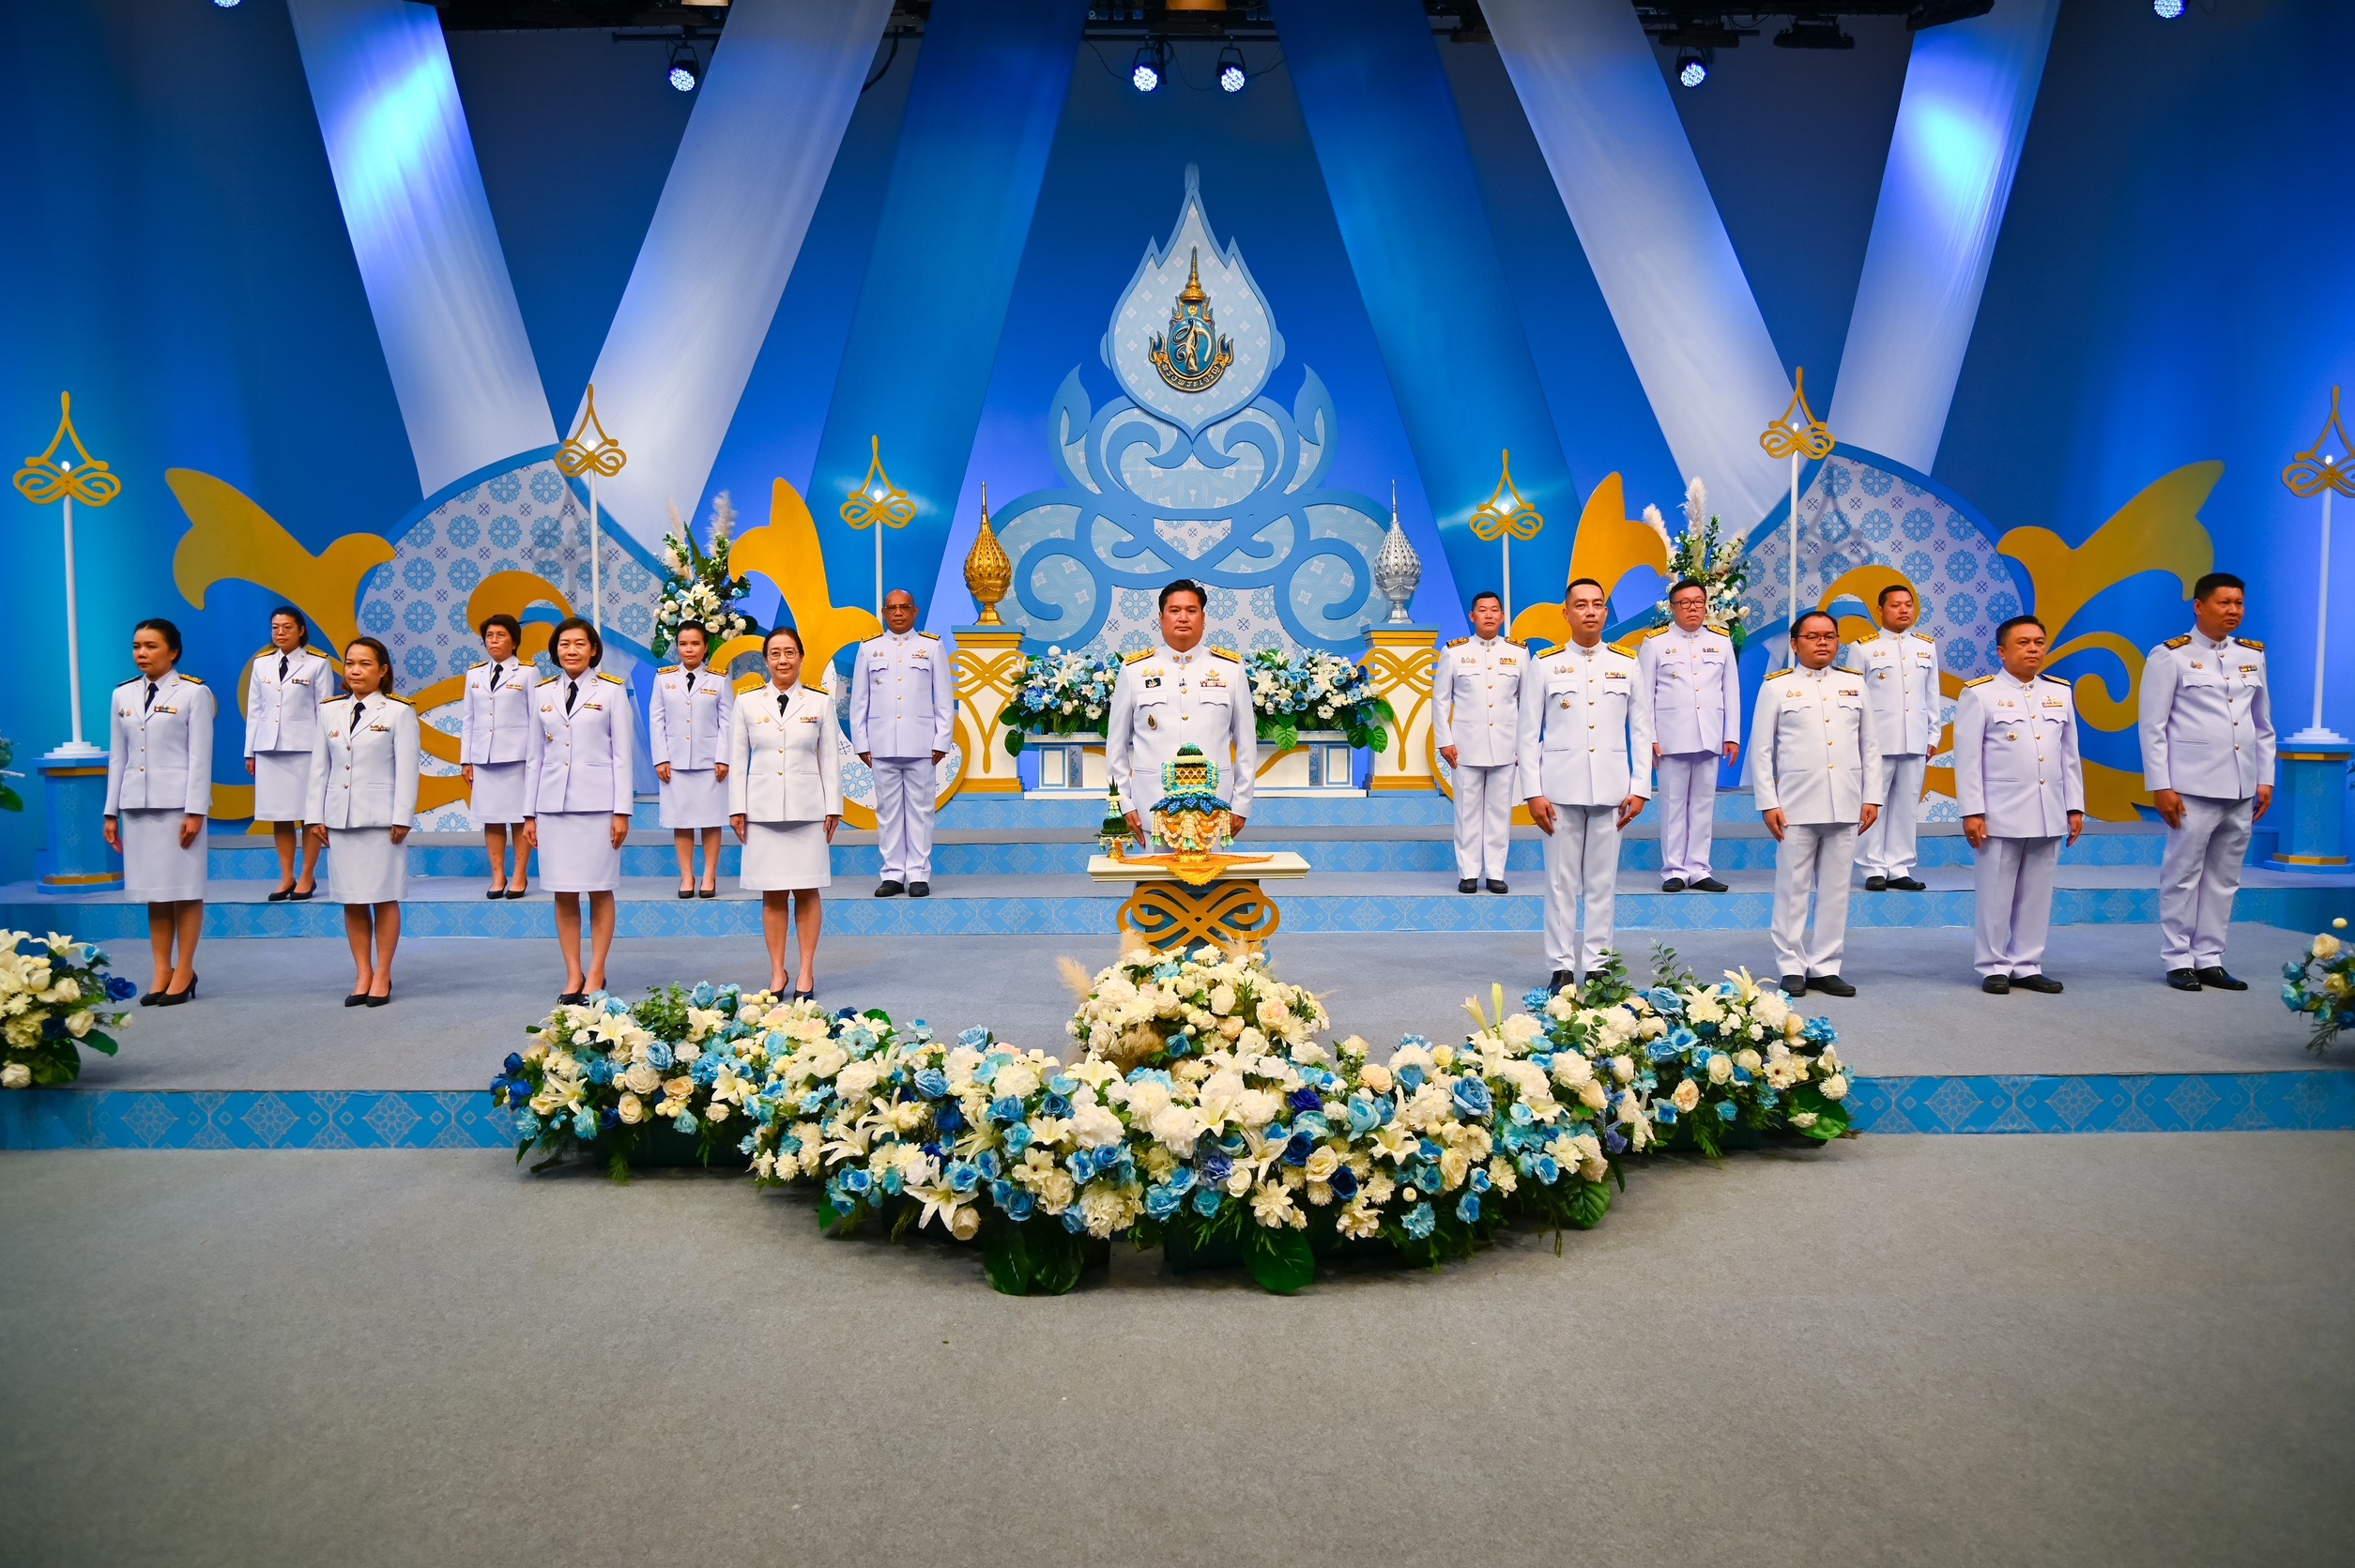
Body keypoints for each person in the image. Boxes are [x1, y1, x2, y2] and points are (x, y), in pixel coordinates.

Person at [2139, 571, 2274, 992]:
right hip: (2191, 786)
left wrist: (2265, 778)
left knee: (2225, 877)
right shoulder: (2170, 656)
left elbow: (2262, 723)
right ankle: (2178, 958)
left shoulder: (2251, 655)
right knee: (2182, 874)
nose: (2233, 611)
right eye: (2224, 603)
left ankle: (2210, 957)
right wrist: (2161, 785)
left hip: (2242, 786)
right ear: (2199, 606)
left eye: (2239, 603)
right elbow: (2153, 727)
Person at [1520, 579, 1650, 996]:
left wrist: (1641, 787)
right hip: (1559, 790)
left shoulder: (1627, 663)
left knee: (1602, 883)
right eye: (1581, 605)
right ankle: (1560, 966)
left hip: (1612, 790)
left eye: (1597, 604)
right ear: (1566, 613)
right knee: (1560, 884)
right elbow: (1527, 734)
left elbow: (1642, 730)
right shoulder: (1545, 663)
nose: (1590, 611)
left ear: (1606, 612)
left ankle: (1597, 964)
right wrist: (1532, 792)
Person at [1752, 609, 1883, 997]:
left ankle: (1826, 965)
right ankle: (1791, 965)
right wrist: (1768, 802)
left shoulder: (1854, 684)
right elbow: (1762, 750)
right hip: (1795, 804)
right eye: (1813, 636)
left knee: (1836, 890)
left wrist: (1872, 796)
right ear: (1795, 645)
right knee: (1792, 888)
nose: (1823, 642)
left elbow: (1870, 745)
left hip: (1846, 800)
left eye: (1830, 636)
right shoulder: (1777, 687)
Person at [1955, 616, 2085, 995]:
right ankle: (1993, 965)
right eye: (2023, 643)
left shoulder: (2059, 692)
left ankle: (2027, 963)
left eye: (2039, 642)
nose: (2033, 649)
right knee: (1996, 892)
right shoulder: (1980, 694)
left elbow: (2069, 755)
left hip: (2048, 809)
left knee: (2037, 893)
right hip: (2000, 812)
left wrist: (2074, 806)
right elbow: (1968, 759)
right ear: (2002, 651)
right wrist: (1972, 811)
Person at [522, 617, 634, 1004]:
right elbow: (534, 756)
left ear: (593, 650)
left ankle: (597, 971)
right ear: (555, 651)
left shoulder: (612, 691)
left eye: (579, 644)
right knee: (563, 891)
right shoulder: (541, 693)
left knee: (600, 889)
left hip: (599, 807)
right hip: (553, 807)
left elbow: (622, 755)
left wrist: (622, 811)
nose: (571, 650)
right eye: (564, 644)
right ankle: (573, 972)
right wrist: (529, 814)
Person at [102, 618, 213, 1006]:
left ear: (173, 651)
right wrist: (110, 812)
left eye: (151, 646)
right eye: (137, 646)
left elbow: (200, 757)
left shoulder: (194, 693)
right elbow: (118, 757)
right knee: (155, 893)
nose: (142, 653)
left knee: (185, 889)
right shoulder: (122, 694)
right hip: (137, 807)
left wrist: (196, 810)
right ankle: (162, 969)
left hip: (178, 808)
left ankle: (185, 969)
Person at [729, 626, 842, 1000]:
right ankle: (777, 971)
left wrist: (833, 807)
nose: (783, 660)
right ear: (766, 660)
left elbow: (829, 758)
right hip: (761, 811)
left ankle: (806, 969)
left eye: (790, 652)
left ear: (801, 657)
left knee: (807, 890)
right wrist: (737, 808)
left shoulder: (819, 702)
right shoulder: (747, 702)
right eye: (775, 653)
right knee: (773, 893)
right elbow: (737, 759)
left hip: (808, 810)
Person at [306, 637, 419, 1006]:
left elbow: (407, 770)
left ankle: (383, 973)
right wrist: (315, 815)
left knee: (384, 898)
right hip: (339, 818)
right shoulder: (330, 711)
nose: (355, 670)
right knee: (352, 900)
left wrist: (402, 816)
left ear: (383, 670)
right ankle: (363, 973)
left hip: (382, 821)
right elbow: (319, 768)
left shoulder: (398, 712)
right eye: (350, 663)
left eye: (365, 664)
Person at [1107, 580, 1256, 845]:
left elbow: (1246, 742)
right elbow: (1116, 744)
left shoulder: (1230, 669)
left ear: (1203, 618)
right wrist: (1123, 803)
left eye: (1191, 610)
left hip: (1214, 811)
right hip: (1151, 811)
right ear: (1161, 617)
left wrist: (1242, 803)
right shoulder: (1134, 670)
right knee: (1154, 875)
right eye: (1174, 610)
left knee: (1216, 873)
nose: (1183, 618)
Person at [1636, 577, 1740, 893]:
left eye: (1698, 602)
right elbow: (1644, 696)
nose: (1692, 608)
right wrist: (1649, 738)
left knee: (1703, 805)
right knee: (1673, 804)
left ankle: (1699, 868)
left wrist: (1731, 735)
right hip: (1671, 738)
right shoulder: (1655, 643)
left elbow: (1731, 691)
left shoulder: (1721, 641)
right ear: (1673, 608)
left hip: (1709, 734)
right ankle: (1674, 870)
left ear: (1706, 605)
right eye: (1685, 603)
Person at [849, 588, 953, 898]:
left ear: (915, 611)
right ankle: (893, 874)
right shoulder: (869, 648)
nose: (898, 612)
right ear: (884, 612)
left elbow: (944, 699)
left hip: (922, 744)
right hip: (881, 744)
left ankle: (918, 873)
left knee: (921, 811)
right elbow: (859, 701)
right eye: (892, 608)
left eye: (904, 607)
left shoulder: (931, 646)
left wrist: (942, 740)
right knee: (888, 812)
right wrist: (861, 743)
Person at [1840, 584, 1941, 891]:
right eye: (1896, 605)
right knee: (1873, 802)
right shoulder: (1863, 648)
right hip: (1877, 741)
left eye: (1908, 604)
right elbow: (1854, 698)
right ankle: (1872, 867)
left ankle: (1899, 866)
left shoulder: (1926, 647)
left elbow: (1931, 694)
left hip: (1915, 738)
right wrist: (1856, 739)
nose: (1903, 610)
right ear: (1880, 610)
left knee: (1907, 805)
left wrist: (1933, 733)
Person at [1435, 590, 1525, 893]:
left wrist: (1524, 744)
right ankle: (1469, 873)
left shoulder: (1518, 653)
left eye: (1494, 610)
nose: (1489, 615)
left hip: (1506, 746)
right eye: (1482, 610)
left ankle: (1496, 873)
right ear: (1472, 616)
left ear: (1502, 616)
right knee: (1466, 812)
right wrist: (1444, 740)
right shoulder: (1454, 652)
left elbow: (1528, 703)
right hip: (1465, 747)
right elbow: (1440, 700)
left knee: (1500, 813)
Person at [243, 605, 330, 902]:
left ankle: (307, 875)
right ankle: (286, 876)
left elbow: (324, 712)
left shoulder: (317, 663)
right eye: (275, 628)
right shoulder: (262, 664)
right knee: (278, 816)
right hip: (269, 748)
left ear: (301, 630)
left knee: (309, 815)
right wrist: (250, 752)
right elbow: (255, 710)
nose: (280, 633)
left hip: (305, 750)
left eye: (287, 627)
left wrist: (324, 753)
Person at [650, 620, 734, 899]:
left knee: (711, 819)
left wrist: (723, 758)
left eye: (695, 643)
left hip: (710, 764)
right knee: (681, 820)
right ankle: (687, 875)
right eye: (683, 643)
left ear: (705, 647)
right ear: (677, 647)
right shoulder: (663, 679)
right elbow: (656, 721)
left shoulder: (719, 679)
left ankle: (709, 874)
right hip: (674, 764)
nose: (689, 649)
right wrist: (661, 758)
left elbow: (727, 723)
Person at [461, 613, 533, 899]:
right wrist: (466, 759)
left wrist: (534, 759)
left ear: (514, 642)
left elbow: (536, 718)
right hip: (484, 757)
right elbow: (469, 719)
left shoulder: (527, 672)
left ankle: (519, 875)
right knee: (491, 818)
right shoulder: (474, 674)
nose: (494, 641)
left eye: (500, 635)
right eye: (489, 636)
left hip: (517, 757)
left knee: (519, 818)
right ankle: (497, 876)